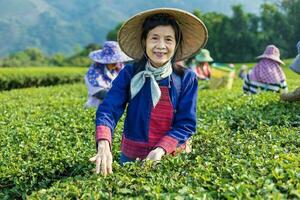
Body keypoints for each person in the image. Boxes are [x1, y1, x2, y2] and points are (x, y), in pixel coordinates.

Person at [89, 8, 208, 175]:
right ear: (144, 41)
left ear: (176, 43)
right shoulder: (130, 73)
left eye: (168, 39)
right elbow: (109, 109)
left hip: (171, 156)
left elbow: (186, 123)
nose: (161, 46)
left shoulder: (186, 78)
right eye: (154, 38)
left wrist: (160, 149)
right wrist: (103, 142)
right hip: (132, 156)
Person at [84, 41, 132, 108]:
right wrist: (121, 96)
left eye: (116, 60)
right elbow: (99, 92)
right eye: (112, 61)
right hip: (96, 107)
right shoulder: (93, 72)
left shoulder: (119, 67)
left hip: (114, 107)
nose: (116, 63)